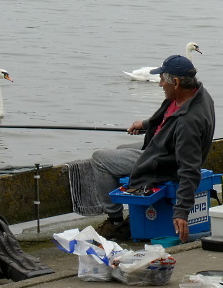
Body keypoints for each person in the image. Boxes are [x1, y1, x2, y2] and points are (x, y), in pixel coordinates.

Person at [92, 54, 215, 242]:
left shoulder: (188, 122)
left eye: (162, 80)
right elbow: (167, 118)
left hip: (164, 163)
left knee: (99, 159)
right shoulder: (196, 93)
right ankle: (133, 214)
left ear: (175, 82)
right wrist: (146, 124)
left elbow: (189, 169)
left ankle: (115, 222)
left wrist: (181, 211)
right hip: (163, 146)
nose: (159, 84)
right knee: (120, 148)